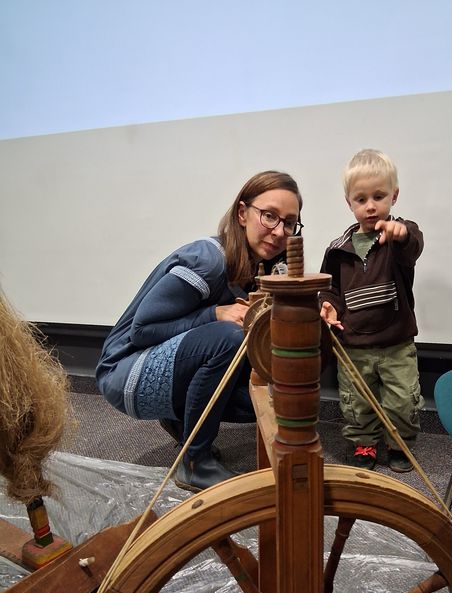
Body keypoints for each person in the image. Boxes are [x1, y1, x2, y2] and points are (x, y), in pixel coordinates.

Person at [96, 170, 303, 491]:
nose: (279, 231)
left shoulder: (263, 267)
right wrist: (214, 313)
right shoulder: (209, 261)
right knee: (231, 338)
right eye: (269, 216)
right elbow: (143, 330)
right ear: (242, 213)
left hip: (166, 361)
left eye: (289, 223)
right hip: (124, 372)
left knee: (262, 389)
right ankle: (195, 462)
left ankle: (181, 420)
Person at [319, 149, 424, 472]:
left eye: (379, 197)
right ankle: (363, 443)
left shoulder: (400, 236)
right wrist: (328, 305)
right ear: (349, 203)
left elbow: (413, 246)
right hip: (354, 346)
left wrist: (401, 234)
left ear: (394, 196)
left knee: (402, 399)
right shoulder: (338, 249)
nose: (370, 206)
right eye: (361, 199)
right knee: (357, 401)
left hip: (396, 344)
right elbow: (330, 289)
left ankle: (398, 444)